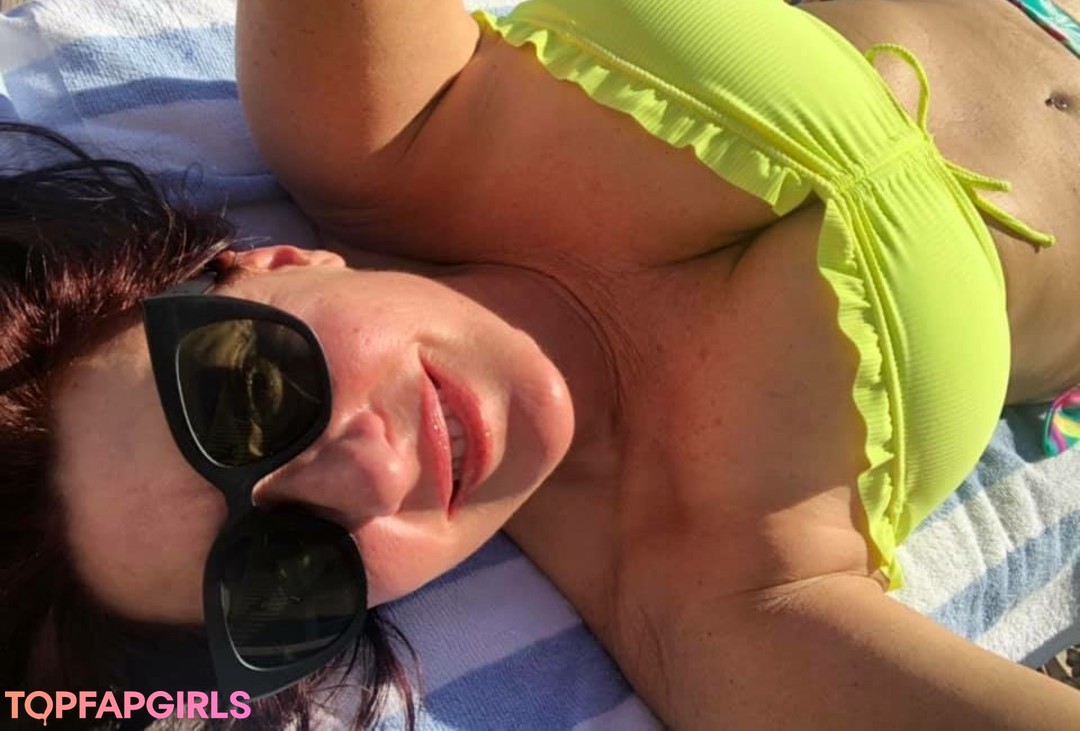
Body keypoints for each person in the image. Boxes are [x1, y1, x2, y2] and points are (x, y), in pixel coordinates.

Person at [5, 0, 1080, 727]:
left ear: (267, 265)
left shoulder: (375, 126)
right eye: (281, 575)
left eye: (250, 391)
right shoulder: (720, 598)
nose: (367, 478)